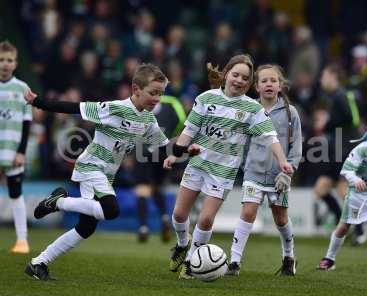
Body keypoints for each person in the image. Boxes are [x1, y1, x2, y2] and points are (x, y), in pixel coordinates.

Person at [23, 64, 199, 280]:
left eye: (160, 94)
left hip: (106, 175)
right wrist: (39, 102)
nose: (157, 99)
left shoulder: (148, 120)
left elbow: (163, 148)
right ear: (135, 89)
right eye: (153, 93)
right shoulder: (115, 108)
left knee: (86, 228)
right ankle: (58, 202)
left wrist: (186, 149)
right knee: (111, 210)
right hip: (91, 166)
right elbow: (74, 107)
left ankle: (38, 263)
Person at [164, 54, 293, 279]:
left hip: (223, 173)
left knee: (204, 219)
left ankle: (191, 262)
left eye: (245, 78)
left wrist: (282, 161)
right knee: (179, 214)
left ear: (249, 83)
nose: (239, 80)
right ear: (226, 75)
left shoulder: (253, 109)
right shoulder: (205, 99)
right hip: (197, 165)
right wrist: (176, 155)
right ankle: (182, 243)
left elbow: (272, 137)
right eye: (236, 75)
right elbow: (189, 132)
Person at [225, 64, 302, 276]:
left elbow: (296, 147)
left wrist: (288, 172)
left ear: (281, 86)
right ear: (256, 87)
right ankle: (235, 261)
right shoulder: (249, 110)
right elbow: (242, 143)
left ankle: (289, 257)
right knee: (248, 212)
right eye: (264, 81)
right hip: (253, 174)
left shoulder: (290, 113)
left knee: (281, 219)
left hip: (280, 177)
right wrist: (245, 165)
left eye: (273, 81)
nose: (269, 84)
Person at [317, 109, 367, 270]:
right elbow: (346, 170)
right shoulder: (362, 149)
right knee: (344, 227)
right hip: (359, 196)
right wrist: (355, 179)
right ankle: (329, 259)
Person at [133, 95, 186, 243]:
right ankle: (164, 217)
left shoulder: (139, 99)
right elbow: (182, 122)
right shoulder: (173, 102)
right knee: (157, 187)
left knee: (142, 188)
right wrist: (169, 139)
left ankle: (143, 227)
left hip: (141, 149)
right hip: (163, 149)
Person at [312, 64, 359, 229]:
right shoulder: (333, 97)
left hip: (345, 150)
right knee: (321, 189)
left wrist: (328, 123)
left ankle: (358, 230)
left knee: (343, 189)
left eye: (323, 75)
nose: (321, 79)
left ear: (333, 76)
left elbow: (353, 118)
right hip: (336, 151)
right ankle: (343, 223)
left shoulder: (343, 95)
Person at [0, 40, 32, 254]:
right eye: (1, 60)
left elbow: (27, 122)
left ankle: (22, 240)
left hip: (12, 151)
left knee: (15, 193)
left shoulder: (22, 88)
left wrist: (21, 151)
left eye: (9, 60)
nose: (5, 64)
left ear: (16, 63)